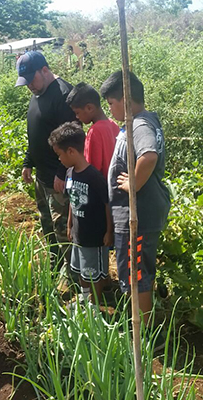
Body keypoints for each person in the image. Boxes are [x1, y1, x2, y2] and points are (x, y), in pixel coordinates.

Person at [100, 71, 170, 325]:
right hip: (136, 215)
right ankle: (140, 324)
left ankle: (146, 333)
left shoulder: (139, 125)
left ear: (126, 100)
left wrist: (132, 184)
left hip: (137, 216)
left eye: (111, 103)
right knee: (135, 273)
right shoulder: (143, 121)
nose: (110, 110)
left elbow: (148, 156)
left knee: (136, 275)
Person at [15, 51, 77, 271]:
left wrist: (62, 172)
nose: (30, 85)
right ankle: (55, 265)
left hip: (57, 178)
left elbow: (72, 139)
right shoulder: (38, 92)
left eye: (32, 79)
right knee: (47, 224)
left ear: (45, 70)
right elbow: (38, 131)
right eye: (26, 82)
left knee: (63, 229)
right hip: (42, 176)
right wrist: (28, 161)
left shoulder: (63, 94)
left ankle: (72, 275)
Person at [49, 122, 113, 304]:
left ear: (71, 151)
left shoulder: (94, 177)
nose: (59, 159)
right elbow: (72, 201)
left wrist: (109, 231)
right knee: (81, 270)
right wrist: (69, 224)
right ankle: (85, 301)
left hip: (95, 236)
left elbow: (107, 203)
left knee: (94, 273)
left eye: (59, 155)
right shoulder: (70, 173)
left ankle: (95, 304)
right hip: (78, 234)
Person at [66, 82, 119, 179]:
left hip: (100, 187)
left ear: (89, 108)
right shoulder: (113, 125)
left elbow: (91, 169)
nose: (77, 117)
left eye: (77, 112)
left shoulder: (94, 131)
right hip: (113, 185)